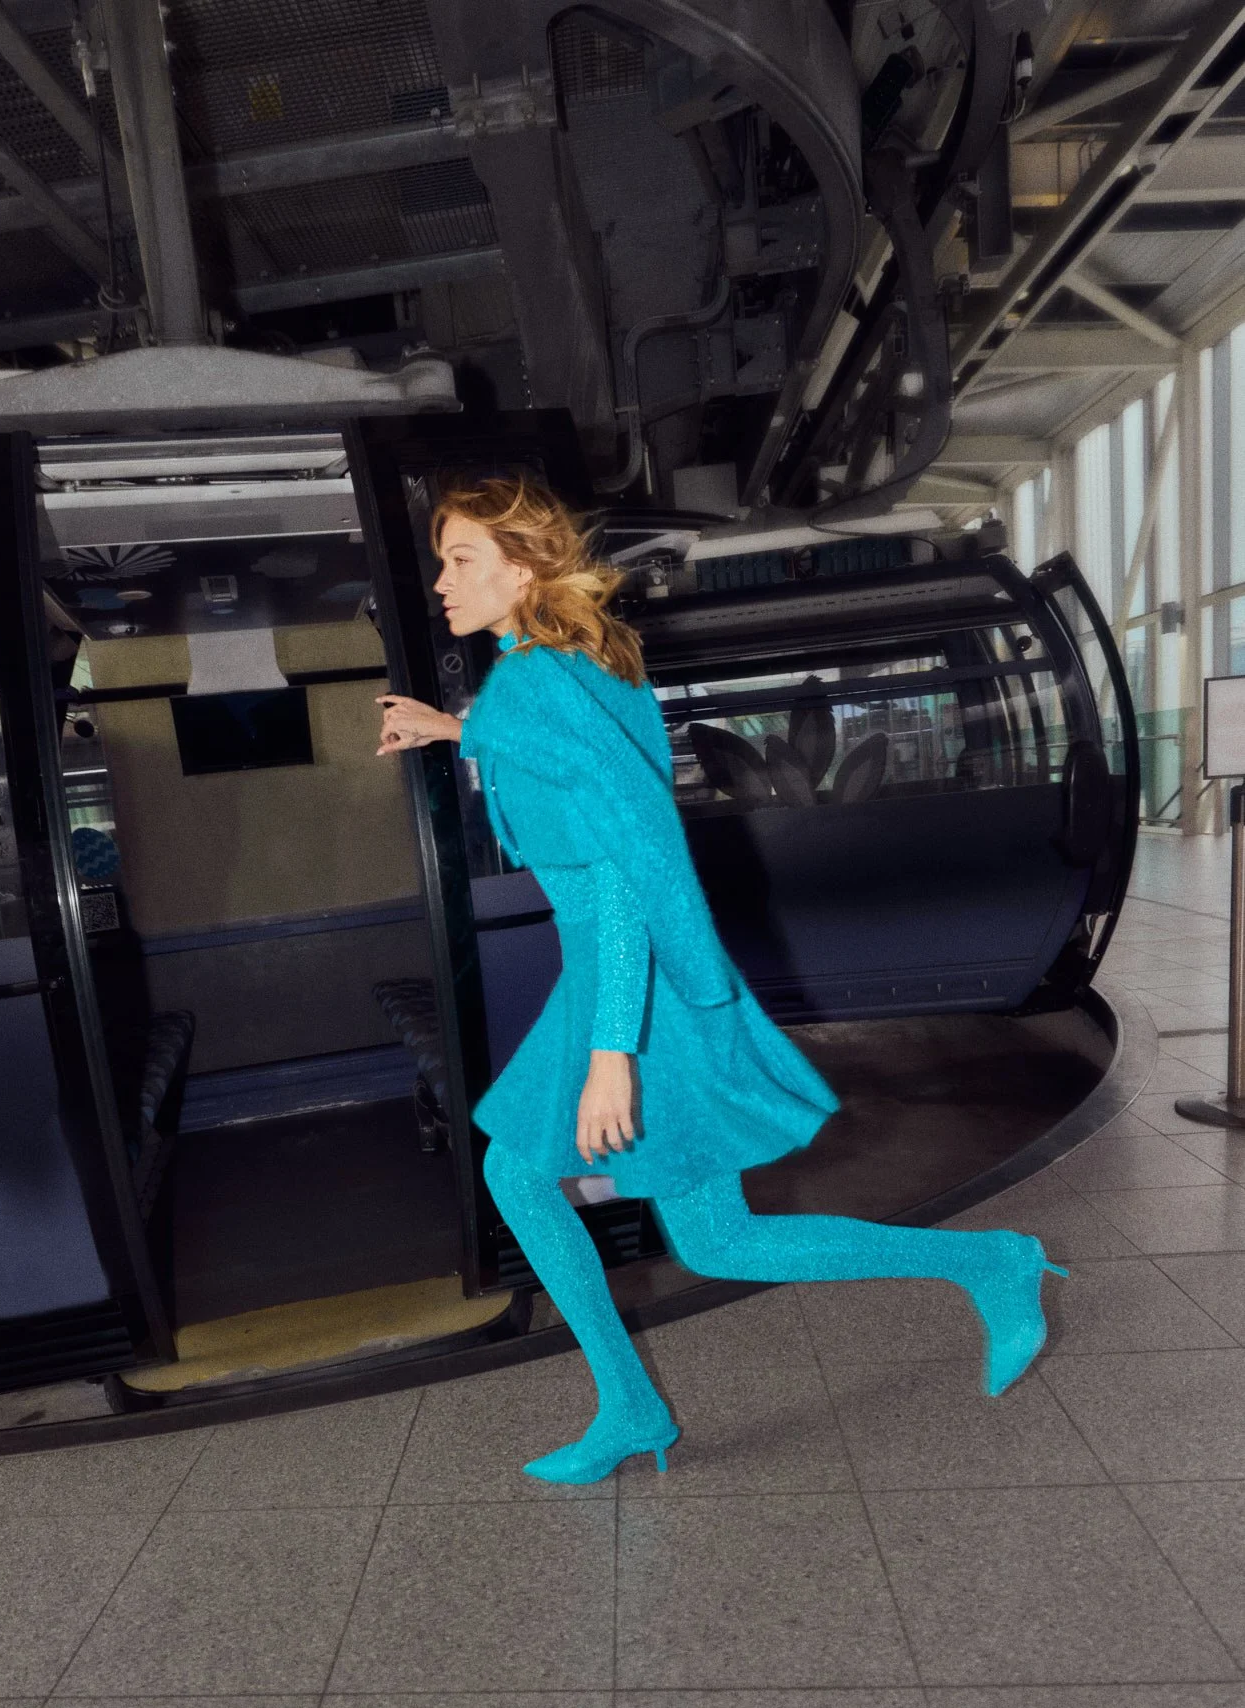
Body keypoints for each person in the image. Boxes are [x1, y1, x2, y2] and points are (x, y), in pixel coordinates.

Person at [375, 475, 1065, 1486]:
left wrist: (612, 1051)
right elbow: (591, 772)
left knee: (537, 1183)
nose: (441, 581)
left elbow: (620, 876)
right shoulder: (562, 670)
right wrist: (453, 729)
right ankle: (985, 1265)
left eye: (461, 559)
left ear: (521, 571)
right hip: (626, 977)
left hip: (626, 985)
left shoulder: (535, 684)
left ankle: (646, 1400)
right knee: (712, 1238)